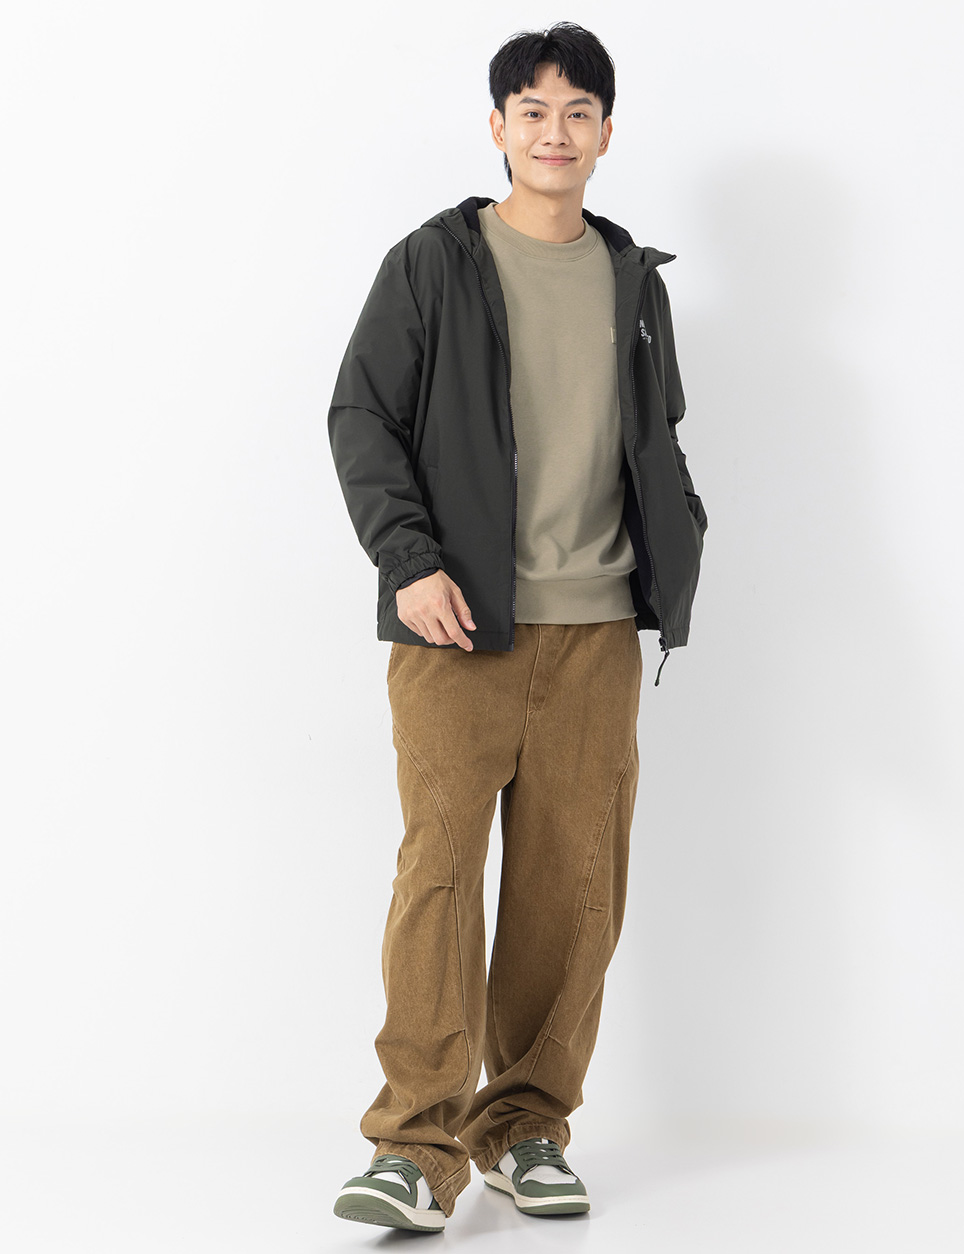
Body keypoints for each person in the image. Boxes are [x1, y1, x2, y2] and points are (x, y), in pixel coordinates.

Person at [327, 21, 708, 1232]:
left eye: (577, 111)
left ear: (606, 133)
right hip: (456, 628)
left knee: (571, 890)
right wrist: (408, 563)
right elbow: (361, 417)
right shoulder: (433, 263)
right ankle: (413, 1147)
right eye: (532, 111)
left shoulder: (633, 280)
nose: (555, 131)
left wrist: (680, 541)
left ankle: (526, 1127)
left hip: (596, 632)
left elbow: (656, 435)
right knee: (438, 878)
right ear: (497, 127)